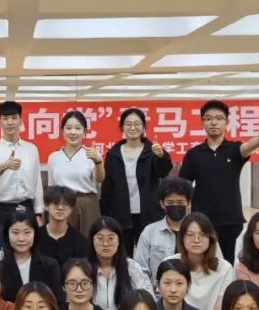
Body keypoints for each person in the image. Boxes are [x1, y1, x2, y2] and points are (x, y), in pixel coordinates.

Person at [179, 100, 259, 263]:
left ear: (226, 122)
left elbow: (246, 147)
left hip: (231, 220)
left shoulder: (234, 149)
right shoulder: (193, 154)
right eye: (208, 118)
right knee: (201, 262)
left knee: (230, 263)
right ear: (202, 123)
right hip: (201, 221)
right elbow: (183, 186)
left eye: (219, 118)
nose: (213, 122)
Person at [100, 107, 173, 251]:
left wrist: (161, 157)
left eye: (137, 123)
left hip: (148, 212)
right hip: (121, 213)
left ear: (144, 126)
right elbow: (107, 185)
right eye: (128, 124)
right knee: (122, 254)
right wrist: (105, 213)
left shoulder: (152, 150)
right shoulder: (113, 154)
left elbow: (163, 172)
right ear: (122, 127)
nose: (133, 128)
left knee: (150, 252)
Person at [0, 101, 44, 227]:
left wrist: (38, 212)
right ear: (0, 122)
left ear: (20, 121)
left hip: (26, 206)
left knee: (26, 239)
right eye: (5, 118)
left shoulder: (31, 149)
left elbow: (37, 182)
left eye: (14, 118)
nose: (10, 122)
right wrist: (4, 166)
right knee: (1, 239)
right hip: (1, 208)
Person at [172, 212, 235, 310]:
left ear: (211, 238)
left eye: (202, 235)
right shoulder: (171, 264)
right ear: (182, 238)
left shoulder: (224, 268)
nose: (196, 240)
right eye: (190, 235)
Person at [46, 111, 104, 234]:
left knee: (88, 239)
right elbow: (51, 187)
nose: (73, 132)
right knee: (63, 239)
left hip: (87, 204)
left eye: (78, 128)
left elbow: (100, 179)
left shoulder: (92, 154)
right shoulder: (53, 157)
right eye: (68, 128)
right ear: (62, 131)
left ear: (85, 132)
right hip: (62, 204)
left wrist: (98, 161)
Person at [88, 217, 153, 310]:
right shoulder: (83, 269)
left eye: (111, 238)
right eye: (100, 239)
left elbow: (144, 299)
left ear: (119, 241)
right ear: (92, 241)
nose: (105, 244)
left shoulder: (131, 267)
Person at [134, 177, 193, 281]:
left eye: (180, 202)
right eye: (170, 202)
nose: (175, 206)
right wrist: (149, 291)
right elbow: (140, 270)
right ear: (162, 204)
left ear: (188, 203)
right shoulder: (149, 232)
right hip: (157, 290)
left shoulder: (200, 230)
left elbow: (216, 262)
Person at [0, 208, 62, 304]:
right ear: (7, 234)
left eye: (27, 232)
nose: (21, 238)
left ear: (35, 233)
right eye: (15, 232)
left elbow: (58, 301)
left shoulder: (50, 266)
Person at [35, 185, 90, 266]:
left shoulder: (80, 241)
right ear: (46, 206)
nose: (60, 208)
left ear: (72, 208)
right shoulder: (35, 237)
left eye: (65, 204)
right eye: (55, 203)